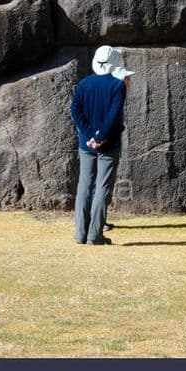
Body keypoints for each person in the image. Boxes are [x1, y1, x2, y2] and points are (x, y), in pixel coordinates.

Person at [70, 46, 133, 245]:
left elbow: (75, 111)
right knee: (102, 187)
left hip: (86, 143)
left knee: (84, 186)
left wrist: (89, 135)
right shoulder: (117, 85)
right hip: (109, 143)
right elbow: (114, 115)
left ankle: (80, 233)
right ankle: (94, 235)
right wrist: (101, 136)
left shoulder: (84, 84)